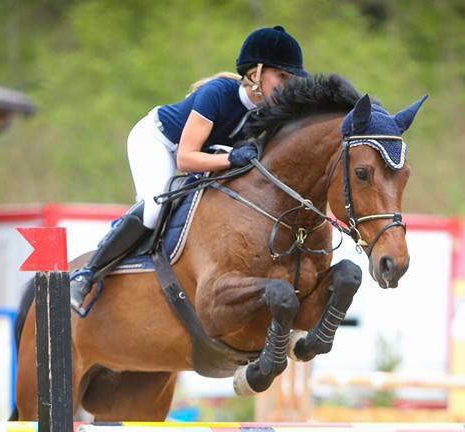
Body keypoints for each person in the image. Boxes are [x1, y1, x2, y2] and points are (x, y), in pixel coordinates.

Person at [70, 25, 308, 312]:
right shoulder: (218, 93)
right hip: (159, 141)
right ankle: (87, 275)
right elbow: (186, 158)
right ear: (255, 73)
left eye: (291, 79)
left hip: (203, 156)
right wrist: (232, 159)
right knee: (155, 206)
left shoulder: (267, 113)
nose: (287, 85)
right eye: (281, 76)